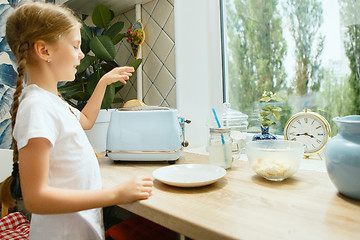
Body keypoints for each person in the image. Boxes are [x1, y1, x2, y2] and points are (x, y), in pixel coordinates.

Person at [0, 2, 153, 239]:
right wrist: (115, 194)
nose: (81, 54)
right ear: (44, 51)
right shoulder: (37, 107)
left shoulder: (53, 102)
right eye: (75, 46)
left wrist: (103, 82)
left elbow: (87, 120)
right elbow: (36, 198)